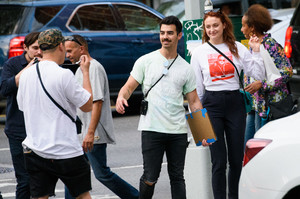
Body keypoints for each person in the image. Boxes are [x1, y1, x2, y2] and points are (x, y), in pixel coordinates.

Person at [116, 16, 205, 199]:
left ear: (179, 35)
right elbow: (128, 87)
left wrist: (203, 132)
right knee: (150, 177)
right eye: (162, 33)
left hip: (177, 130)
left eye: (170, 33)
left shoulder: (186, 68)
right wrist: (121, 97)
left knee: (177, 177)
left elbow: (194, 101)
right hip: (151, 128)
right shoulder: (145, 61)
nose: (165, 37)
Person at [190, 9, 266, 199]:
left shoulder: (238, 48)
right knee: (218, 161)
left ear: (224, 25)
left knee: (235, 159)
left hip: (234, 103)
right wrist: (200, 129)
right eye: (208, 27)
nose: (212, 30)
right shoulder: (198, 53)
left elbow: (258, 75)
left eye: (215, 25)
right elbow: (196, 92)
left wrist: (256, 51)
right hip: (211, 103)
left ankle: (234, 196)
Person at [16, 29, 93, 199]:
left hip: (35, 149)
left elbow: (22, 106)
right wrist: (85, 72)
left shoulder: (26, 75)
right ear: (60, 46)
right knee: (82, 195)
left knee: (39, 196)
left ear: (41, 49)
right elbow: (87, 105)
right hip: (65, 150)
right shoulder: (63, 74)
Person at [64, 34, 139, 199]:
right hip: (83, 132)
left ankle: (136, 197)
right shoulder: (81, 69)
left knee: (101, 173)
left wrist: (90, 132)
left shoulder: (94, 68)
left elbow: (97, 102)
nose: (67, 55)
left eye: (70, 51)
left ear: (81, 49)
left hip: (93, 132)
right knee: (73, 172)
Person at [241, 4, 293, 147]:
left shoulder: (271, 45)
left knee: (260, 149)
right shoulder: (252, 45)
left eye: (243, 26)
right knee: (248, 146)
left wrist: (262, 85)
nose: (241, 29)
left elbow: (287, 72)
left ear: (252, 27)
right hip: (255, 106)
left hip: (270, 107)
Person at [0, 31, 42, 199]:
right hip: (18, 129)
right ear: (25, 48)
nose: (39, 52)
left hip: (41, 129)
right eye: (35, 48)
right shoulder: (13, 64)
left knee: (41, 180)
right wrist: (27, 69)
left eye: (42, 48)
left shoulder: (48, 65)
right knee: (24, 179)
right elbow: (4, 89)